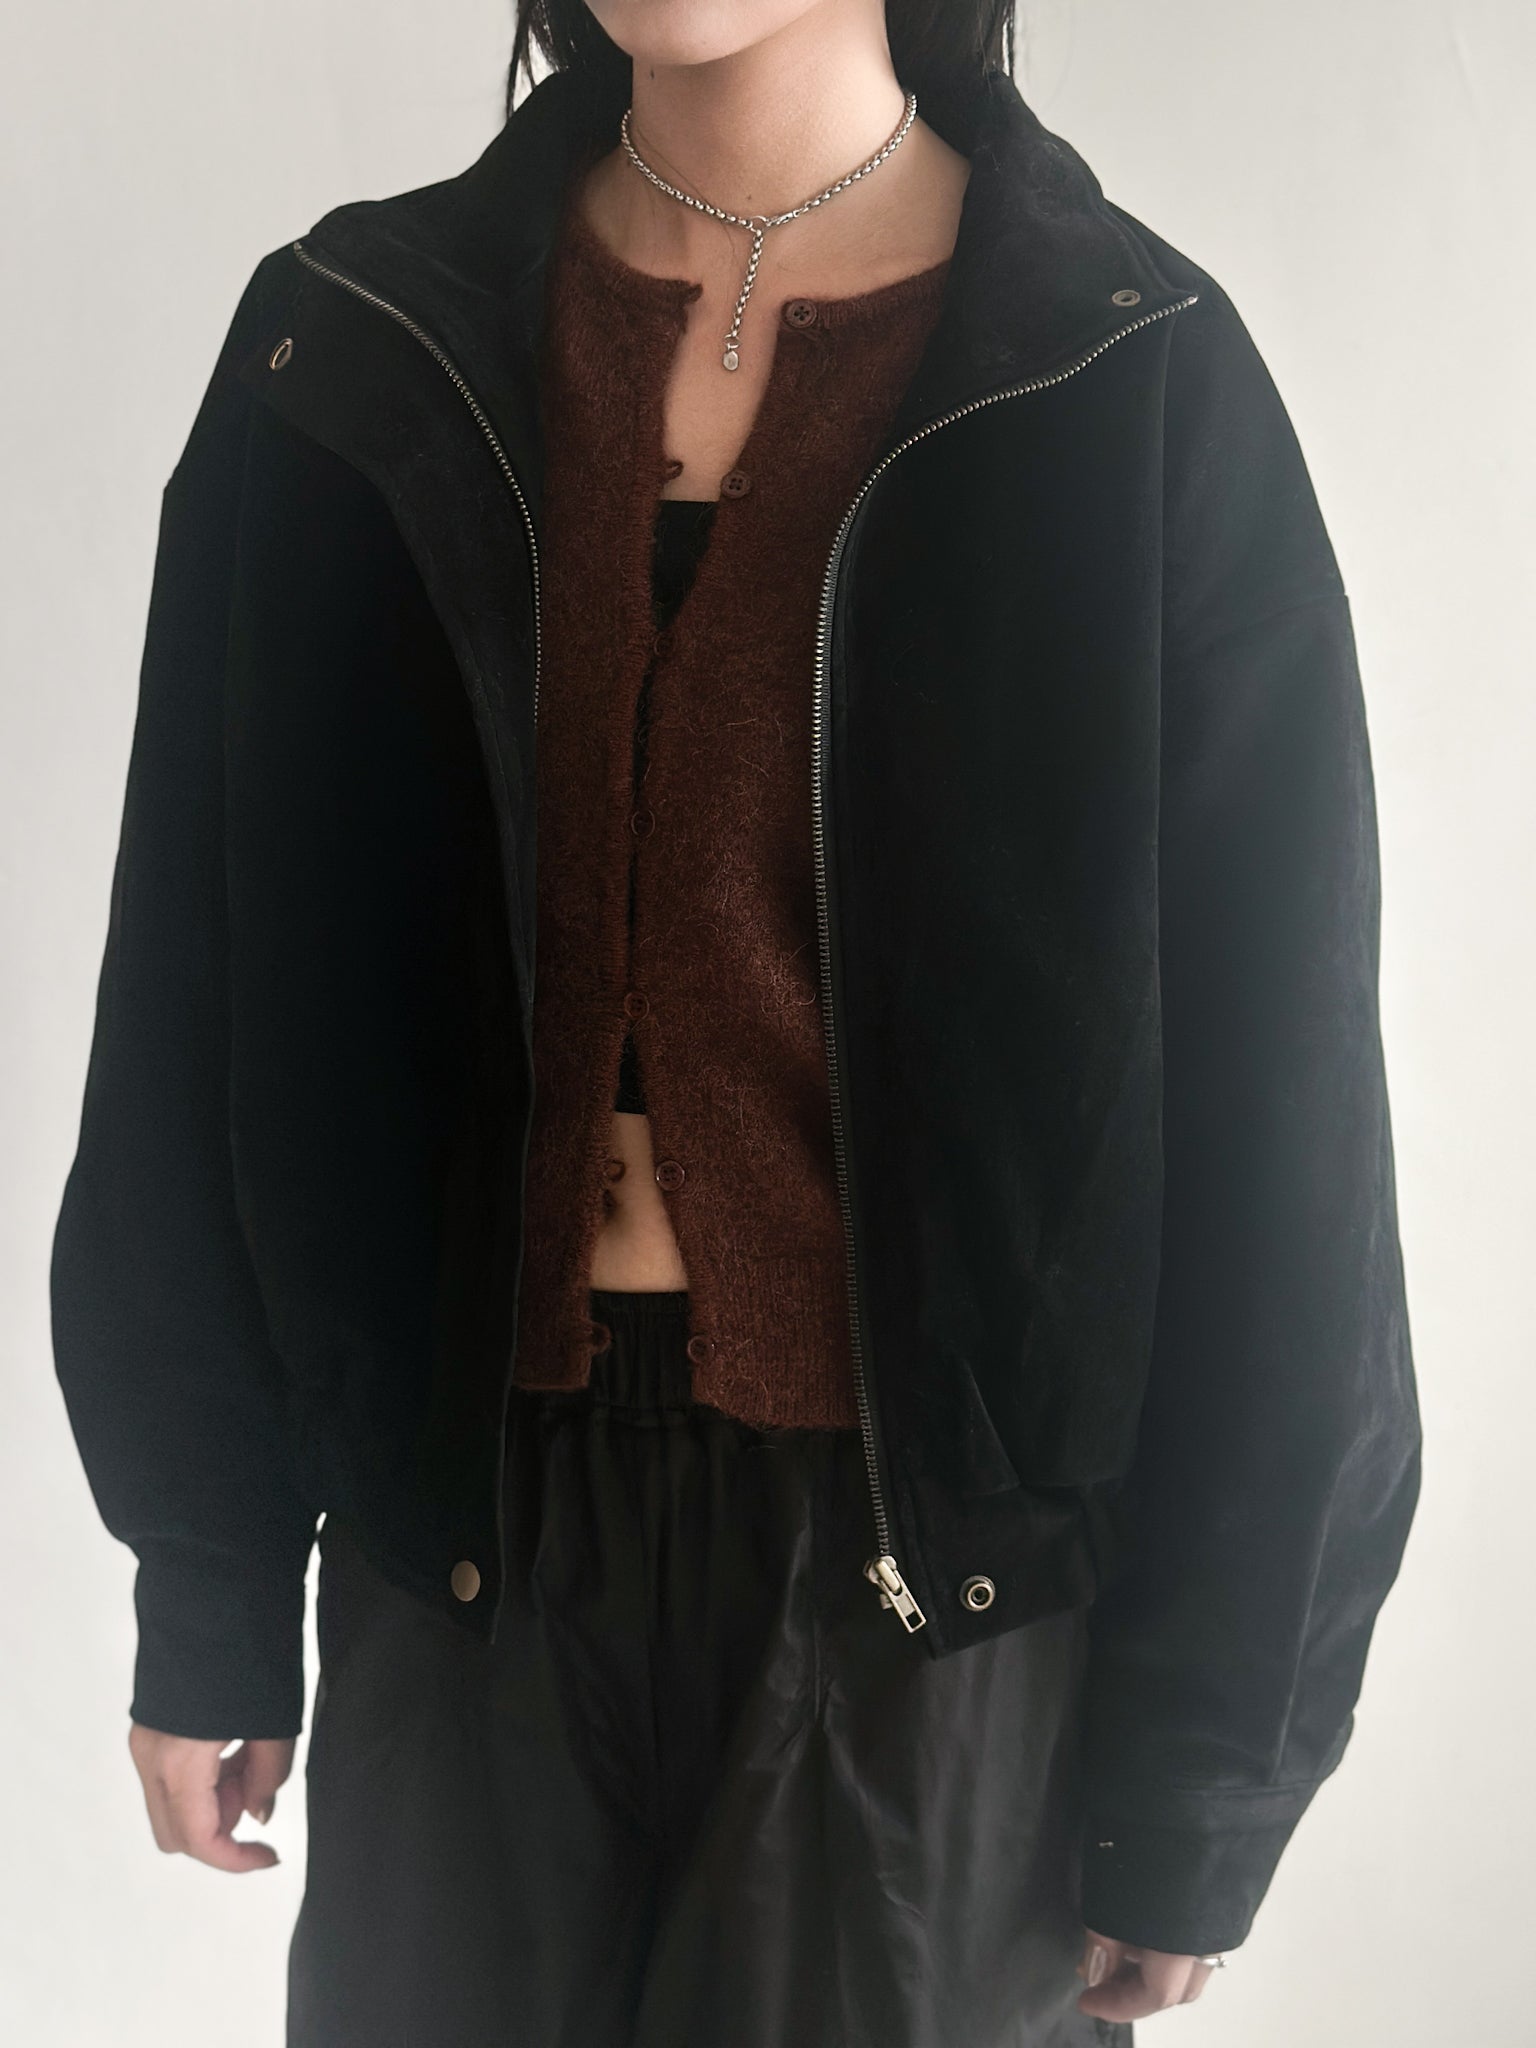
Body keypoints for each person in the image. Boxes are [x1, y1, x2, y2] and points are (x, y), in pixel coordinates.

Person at [49, 2, 1423, 2042]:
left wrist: (1208, 1757)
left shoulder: (1122, 372)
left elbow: (1284, 1125)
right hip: (467, 1563)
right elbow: (192, 992)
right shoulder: (351, 350)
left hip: (920, 1604)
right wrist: (214, 1573)